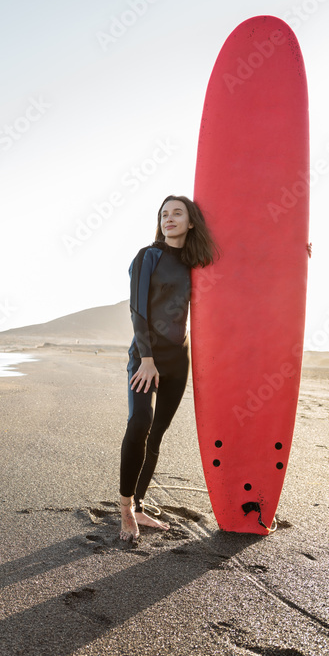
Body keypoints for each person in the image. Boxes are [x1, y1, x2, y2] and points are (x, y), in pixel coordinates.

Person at [119, 195, 218, 541]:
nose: (169, 218)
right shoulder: (148, 256)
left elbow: (247, 270)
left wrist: (297, 251)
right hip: (146, 357)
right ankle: (125, 507)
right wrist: (146, 358)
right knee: (140, 421)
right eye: (164, 213)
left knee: (157, 432)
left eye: (178, 213)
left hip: (179, 358)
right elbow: (137, 308)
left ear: (191, 222)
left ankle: (141, 506)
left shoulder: (198, 262)